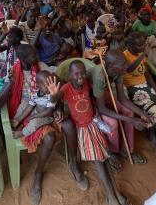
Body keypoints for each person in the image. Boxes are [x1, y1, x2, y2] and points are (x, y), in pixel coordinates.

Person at [49, 61, 130, 205]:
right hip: (82, 129)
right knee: (99, 161)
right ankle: (111, 196)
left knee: (103, 159)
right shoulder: (66, 88)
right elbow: (55, 99)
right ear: (70, 76)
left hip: (93, 124)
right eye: (76, 73)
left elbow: (91, 98)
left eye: (83, 72)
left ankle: (115, 194)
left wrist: (97, 112)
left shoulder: (86, 83)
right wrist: (53, 94)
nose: (80, 76)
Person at [0, 45, 57, 205]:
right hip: (25, 104)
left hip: (42, 109)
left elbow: (55, 85)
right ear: (23, 60)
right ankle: (15, 136)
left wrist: (55, 100)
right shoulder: (13, 70)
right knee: (14, 119)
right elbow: (5, 94)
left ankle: (38, 174)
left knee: (49, 136)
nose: (36, 58)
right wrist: (10, 82)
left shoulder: (42, 67)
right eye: (33, 56)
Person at [124, 32, 156, 150]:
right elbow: (129, 69)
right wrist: (143, 54)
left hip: (146, 85)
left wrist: (155, 87)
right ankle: (151, 134)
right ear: (130, 46)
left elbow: (147, 73)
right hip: (133, 89)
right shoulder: (125, 55)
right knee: (152, 109)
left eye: (144, 44)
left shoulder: (140, 54)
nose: (143, 47)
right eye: (139, 45)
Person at [11, 70, 55, 140]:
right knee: (25, 104)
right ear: (38, 85)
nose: (49, 87)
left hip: (46, 117)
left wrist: (33, 116)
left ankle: (22, 132)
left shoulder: (52, 95)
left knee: (35, 122)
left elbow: (48, 111)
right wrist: (20, 119)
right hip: (36, 112)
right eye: (45, 85)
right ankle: (16, 121)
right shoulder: (35, 94)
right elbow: (30, 107)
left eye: (50, 84)